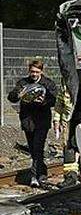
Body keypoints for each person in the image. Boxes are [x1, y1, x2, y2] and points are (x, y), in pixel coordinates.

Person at [8, 59, 58, 187]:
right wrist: (19, 95)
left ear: (41, 71)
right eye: (32, 71)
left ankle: (35, 177)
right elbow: (11, 97)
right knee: (33, 150)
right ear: (29, 71)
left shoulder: (48, 83)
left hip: (42, 121)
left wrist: (44, 101)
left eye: (36, 71)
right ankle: (42, 173)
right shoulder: (23, 83)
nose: (34, 74)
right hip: (28, 121)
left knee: (38, 147)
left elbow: (54, 99)